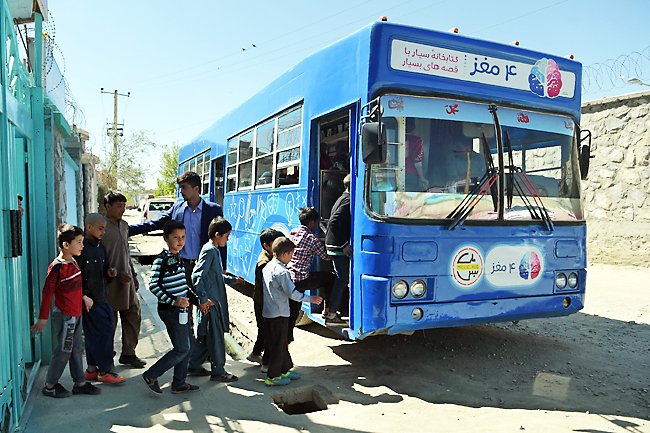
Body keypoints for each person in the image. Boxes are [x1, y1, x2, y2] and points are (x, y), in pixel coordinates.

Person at [31, 224, 101, 398]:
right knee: (64, 350)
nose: (82, 245)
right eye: (78, 242)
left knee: (76, 349)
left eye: (82, 241)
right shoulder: (57, 267)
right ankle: (50, 385)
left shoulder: (73, 261)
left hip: (76, 314)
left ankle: (80, 383)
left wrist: (83, 297)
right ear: (66, 245)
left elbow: (74, 287)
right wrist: (42, 318)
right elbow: (47, 293)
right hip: (65, 316)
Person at [142, 221, 199, 395]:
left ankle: (179, 383)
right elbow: (153, 286)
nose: (180, 241)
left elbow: (183, 285)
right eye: (176, 237)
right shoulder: (162, 259)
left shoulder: (178, 257)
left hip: (182, 310)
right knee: (182, 348)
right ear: (166, 238)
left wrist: (196, 300)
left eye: (183, 237)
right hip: (171, 310)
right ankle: (151, 374)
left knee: (187, 346)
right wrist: (173, 301)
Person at [187, 217, 243, 382]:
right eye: (226, 235)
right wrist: (203, 299)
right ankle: (218, 371)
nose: (228, 239)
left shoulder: (212, 249)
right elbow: (197, 275)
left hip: (210, 302)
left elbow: (215, 276)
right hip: (211, 304)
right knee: (216, 338)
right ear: (217, 234)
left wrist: (233, 280)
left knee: (205, 337)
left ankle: (194, 365)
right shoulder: (210, 251)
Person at [262, 237, 322, 386]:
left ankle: (285, 369)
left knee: (281, 343)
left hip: (270, 312)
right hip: (279, 313)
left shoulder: (268, 267)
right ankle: (273, 376)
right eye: (292, 254)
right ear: (285, 254)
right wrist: (311, 299)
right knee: (278, 345)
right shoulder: (282, 272)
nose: (292, 258)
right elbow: (293, 293)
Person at [78, 213, 126, 384]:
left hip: (101, 297)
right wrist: (83, 296)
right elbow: (76, 276)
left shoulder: (100, 247)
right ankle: (105, 370)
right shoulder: (81, 249)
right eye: (100, 228)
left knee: (95, 335)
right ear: (89, 227)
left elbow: (105, 270)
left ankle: (92, 369)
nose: (103, 232)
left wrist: (110, 273)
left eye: (104, 228)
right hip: (89, 300)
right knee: (104, 334)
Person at [103, 191, 145, 368]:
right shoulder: (101, 226)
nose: (122, 209)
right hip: (109, 282)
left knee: (133, 315)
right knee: (109, 321)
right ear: (108, 206)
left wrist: (134, 275)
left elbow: (126, 253)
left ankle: (129, 353)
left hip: (127, 281)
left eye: (124, 205)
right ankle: (105, 356)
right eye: (118, 206)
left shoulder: (125, 225)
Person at [287, 207, 333, 340]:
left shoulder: (293, 232)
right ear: (312, 222)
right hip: (301, 280)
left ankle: (286, 338)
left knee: (293, 310)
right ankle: (329, 310)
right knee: (330, 278)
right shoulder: (311, 238)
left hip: (289, 278)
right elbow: (326, 257)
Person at [247, 228, 283, 370]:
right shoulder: (264, 263)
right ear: (266, 246)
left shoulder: (268, 256)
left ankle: (255, 354)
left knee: (263, 330)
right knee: (269, 333)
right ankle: (267, 364)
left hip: (262, 301)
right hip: (264, 303)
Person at [324, 174, 352, 324]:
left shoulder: (342, 198)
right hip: (337, 246)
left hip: (334, 245)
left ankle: (329, 309)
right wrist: (344, 245)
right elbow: (334, 222)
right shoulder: (347, 200)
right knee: (342, 279)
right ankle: (332, 314)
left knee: (339, 278)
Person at [405, 119, 428, 192]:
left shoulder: (393, 136)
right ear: (414, 128)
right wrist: (422, 178)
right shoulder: (417, 140)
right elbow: (417, 161)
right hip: (410, 174)